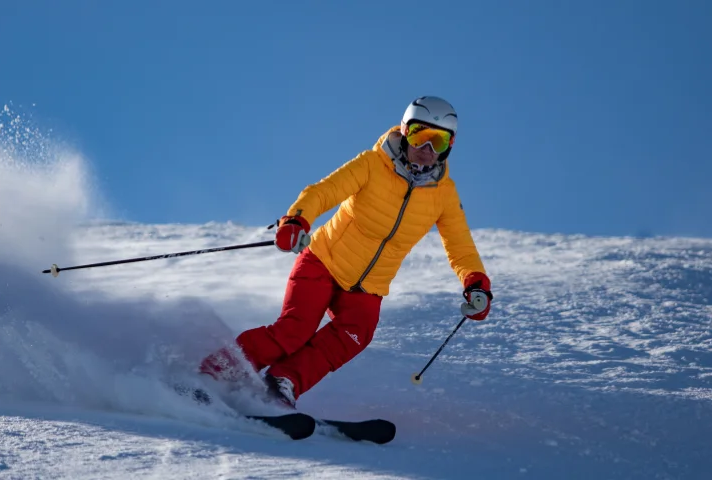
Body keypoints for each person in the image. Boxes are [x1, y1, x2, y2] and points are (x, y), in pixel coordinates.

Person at [199, 96, 494, 407]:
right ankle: (216, 372)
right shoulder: (372, 164)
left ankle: (283, 382)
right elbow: (323, 192)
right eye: (420, 135)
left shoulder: (444, 195)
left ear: (450, 146)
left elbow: (460, 245)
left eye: (439, 140)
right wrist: (296, 221)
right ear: (405, 131)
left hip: (368, 287)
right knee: (294, 330)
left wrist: (476, 283)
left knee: (355, 335)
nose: (428, 148)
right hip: (323, 262)